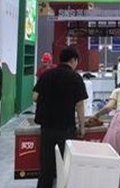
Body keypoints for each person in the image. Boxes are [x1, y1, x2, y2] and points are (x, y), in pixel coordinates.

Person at [33, 47, 88, 188]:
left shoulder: (46, 75)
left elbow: (35, 97)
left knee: (46, 168)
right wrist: (82, 126)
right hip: (66, 128)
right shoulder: (75, 78)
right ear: (73, 60)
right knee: (66, 167)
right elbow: (80, 104)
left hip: (47, 128)